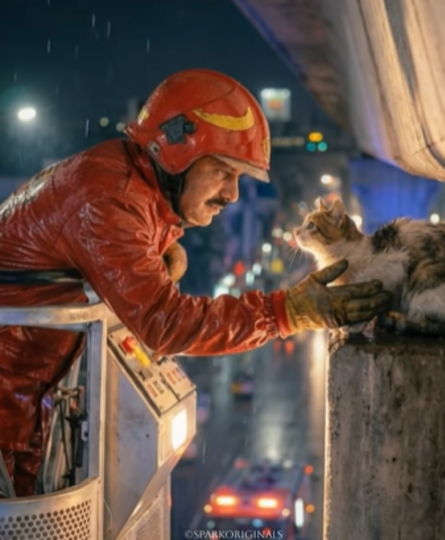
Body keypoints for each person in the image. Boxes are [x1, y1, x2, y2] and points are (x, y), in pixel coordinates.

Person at [0, 69, 393, 496]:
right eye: (224, 171)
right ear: (174, 153)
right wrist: (286, 311)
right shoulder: (108, 198)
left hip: (25, 399)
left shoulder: (129, 184)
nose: (233, 194)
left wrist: (158, 249)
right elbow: (165, 323)